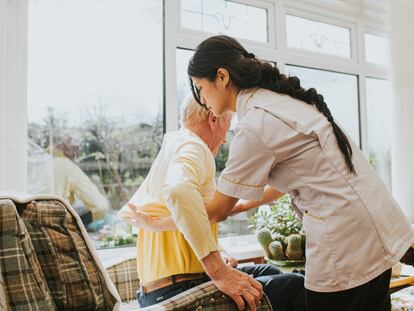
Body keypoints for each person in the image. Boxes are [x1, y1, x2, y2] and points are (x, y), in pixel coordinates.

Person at [136, 35, 414, 311]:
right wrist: (239, 205)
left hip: (343, 240)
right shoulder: (280, 102)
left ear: (222, 77)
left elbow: (216, 209)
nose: (202, 99)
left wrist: (158, 222)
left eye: (200, 88)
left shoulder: (255, 122)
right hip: (371, 229)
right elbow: (292, 181)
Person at [118, 98, 305, 311]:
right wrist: (218, 270)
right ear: (213, 118)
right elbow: (179, 191)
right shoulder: (193, 147)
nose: (225, 139)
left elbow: (218, 209)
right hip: (178, 292)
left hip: (160, 291)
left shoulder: (175, 146)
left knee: (270, 273)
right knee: (296, 286)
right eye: (228, 126)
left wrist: (218, 250)